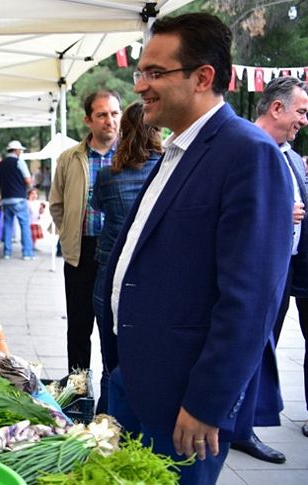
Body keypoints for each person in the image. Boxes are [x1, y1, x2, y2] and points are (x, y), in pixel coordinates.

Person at [103, 13, 293, 484]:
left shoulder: (247, 153)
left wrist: (208, 402)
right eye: (140, 72)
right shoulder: (177, 148)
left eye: (155, 73)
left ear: (203, 77)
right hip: (134, 378)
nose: (140, 86)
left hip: (184, 400)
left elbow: (250, 300)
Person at [236, 76, 308, 460]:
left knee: (266, 349)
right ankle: (238, 428)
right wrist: (280, 213)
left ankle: (244, 421)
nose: (304, 120)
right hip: (253, 272)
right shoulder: (244, 147)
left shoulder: (292, 156)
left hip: (288, 269)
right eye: (301, 111)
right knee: (246, 348)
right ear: (276, 108)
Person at [89, 101, 161, 417]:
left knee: (110, 359)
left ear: (125, 131)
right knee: (149, 359)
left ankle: (107, 424)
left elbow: (98, 205)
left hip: (109, 272)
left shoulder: (107, 175)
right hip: (152, 277)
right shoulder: (165, 171)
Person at [49, 90, 121, 373]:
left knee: (113, 327)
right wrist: (68, 235)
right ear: (88, 120)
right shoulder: (70, 158)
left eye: (114, 113)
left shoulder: (131, 156)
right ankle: (77, 391)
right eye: (102, 114)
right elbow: (57, 204)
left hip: (116, 252)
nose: (109, 121)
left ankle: (111, 393)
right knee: (79, 327)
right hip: (81, 252)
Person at [0, 140, 35, 260]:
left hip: (5, 198)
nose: (21, 152)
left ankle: (7, 252)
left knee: (8, 225)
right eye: (20, 150)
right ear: (16, 150)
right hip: (19, 198)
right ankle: (27, 253)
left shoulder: (0, 165)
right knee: (24, 224)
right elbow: (28, 181)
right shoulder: (20, 162)